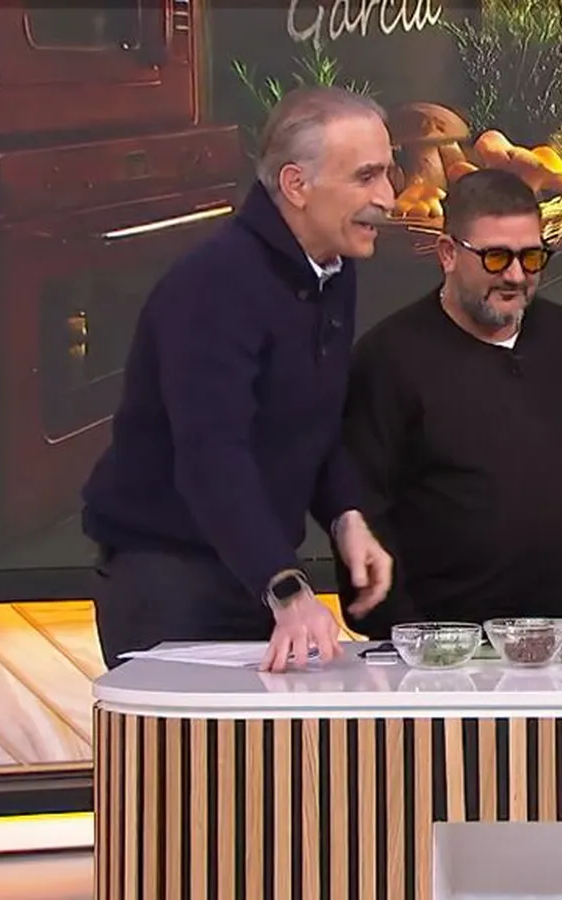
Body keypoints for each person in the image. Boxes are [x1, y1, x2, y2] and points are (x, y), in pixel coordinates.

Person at [81, 87, 396, 672]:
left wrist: (345, 515)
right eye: (366, 177)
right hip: (170, 582)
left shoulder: (332, 272)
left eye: (387, 173)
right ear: (296, 185)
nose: (388, 198)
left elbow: (314, 417)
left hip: (253, 572)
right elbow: (211, 453)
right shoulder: (215, 284)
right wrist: (285, 586)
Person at [335, 168, 562, 634]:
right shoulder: (388, 358)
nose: (516, 276)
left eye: (531, 258)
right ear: (448, 253)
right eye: (496, 258)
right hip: (446, 646)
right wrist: (406, 636)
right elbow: (362, 506)